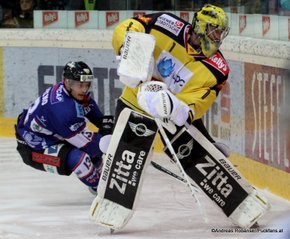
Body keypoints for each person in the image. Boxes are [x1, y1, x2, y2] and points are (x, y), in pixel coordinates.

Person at [111, 4, 230, 163]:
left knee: (195, 148)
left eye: (221, 33)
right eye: (215, 31)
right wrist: (128, 49)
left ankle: (204, 159)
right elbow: (132, 25)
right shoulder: (165, 23)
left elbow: (197, 103)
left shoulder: (218, 69)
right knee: (123, 158)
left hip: (171, 112)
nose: (218, 37)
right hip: (135, 100)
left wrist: (176, 109)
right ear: (201, 26)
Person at [15, 61, 113, 194]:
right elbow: (91, 146)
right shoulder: (64, 112)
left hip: (50, 135)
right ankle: (100, 189)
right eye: (80, 85)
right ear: (67, 82)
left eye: (87, 84)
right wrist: (110, 139)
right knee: (80, 158)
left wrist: (104, 125)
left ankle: (99, 174)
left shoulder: (71, 92)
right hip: (33, 149)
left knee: (96, 144)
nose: (84, 89)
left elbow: (90, 109)